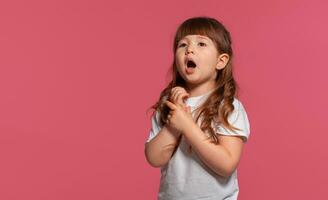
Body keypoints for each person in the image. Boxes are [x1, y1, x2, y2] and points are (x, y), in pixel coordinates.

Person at [144, 16, 251, 200]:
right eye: (182, 45)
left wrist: (187, 126)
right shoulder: (169, 105)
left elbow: (226, 164)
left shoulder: (228, 106)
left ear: (221, 61)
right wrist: (173, 127)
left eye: (201, 44)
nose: (190, 50)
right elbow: (154, 158)